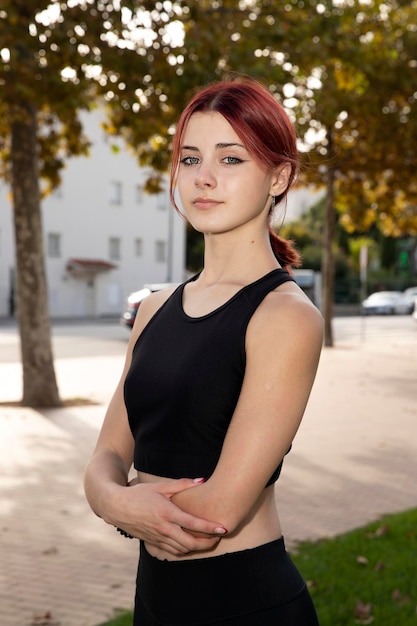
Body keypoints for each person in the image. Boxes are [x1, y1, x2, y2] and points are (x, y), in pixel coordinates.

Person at [84, 76, 323, 626]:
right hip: (156, 602)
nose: (204, 178)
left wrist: (115, 501)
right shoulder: (152, 309)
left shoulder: (284, 317)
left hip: (244, 602)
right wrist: (114, 498)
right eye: (190, 159)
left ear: (278, 176)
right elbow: (106, 458)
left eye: (231, 159)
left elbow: (223, 506)